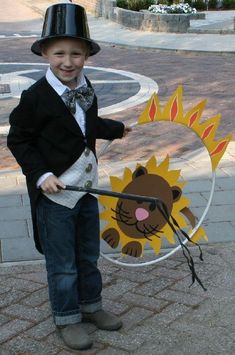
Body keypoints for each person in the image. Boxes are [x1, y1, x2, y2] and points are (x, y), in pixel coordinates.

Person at [7, 3, 131, 351]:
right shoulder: (35, 98)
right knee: (63, 263)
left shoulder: (85, 88)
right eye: (59, 52)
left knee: (88, 255)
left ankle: (92, 306)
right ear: (45, 52)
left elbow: (84, 127)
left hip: (86, 190)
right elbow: (18, 139)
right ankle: (67, 316)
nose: (68, 61)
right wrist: (41, 173)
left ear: (87, 55)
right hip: (57, 196)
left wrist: (117, 129)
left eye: (76, 53)